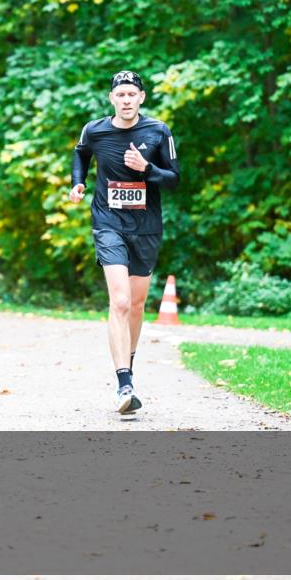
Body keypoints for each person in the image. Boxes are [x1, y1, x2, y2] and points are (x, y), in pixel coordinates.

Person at [68, 70, 180, 415]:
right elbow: (81, 153)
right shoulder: (95, 130)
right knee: (119, 300)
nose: (127, 100)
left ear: (141, 98)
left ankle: (127, 365)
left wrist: (146, 168)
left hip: (146, 227)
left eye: (132, 94)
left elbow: (174, 180)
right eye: (121, 95)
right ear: (111, 98)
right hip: (108, 222)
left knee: (136, 303)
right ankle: (124, 383)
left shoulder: (159, 131)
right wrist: (78, 182)